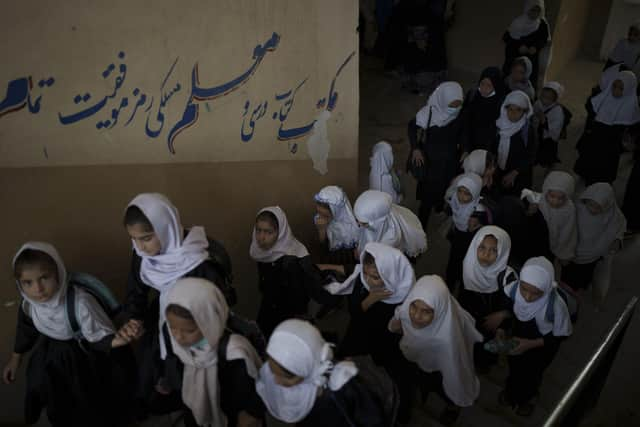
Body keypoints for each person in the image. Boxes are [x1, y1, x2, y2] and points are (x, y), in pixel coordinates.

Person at [118, 193, 233, 413]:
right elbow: (136, 291)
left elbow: (216, 310)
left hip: (194, 332)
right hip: (161, 325)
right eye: (134, 239)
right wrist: (134, 318)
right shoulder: (142, 255)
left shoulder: (200, 262)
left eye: (146, 238)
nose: (140, 247)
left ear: (166, 228)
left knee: (196, 388)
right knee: (159, 375)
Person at [3, 242, 135, 427]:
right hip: (52, 357)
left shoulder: (80, 303)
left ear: (58, 273)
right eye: (28, 282)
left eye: (44, 278)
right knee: (56, 400)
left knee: (87, 403)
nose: (38, 289)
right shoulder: (29, 305)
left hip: (84, 358)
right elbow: (26, 330)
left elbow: (99, 337)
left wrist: (117, 341)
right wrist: (15, 360)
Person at [325, 242, 415, 422]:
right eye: (365, 273)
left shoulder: (405, 294)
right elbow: (354, 311)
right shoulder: (363, 282)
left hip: (387, 343)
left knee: (396, 379)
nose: (368, 280)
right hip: (360, 333)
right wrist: (371, 299)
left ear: (391, 276)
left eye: (375, 277)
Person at [163, 278, 264, 427]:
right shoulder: (174, 338)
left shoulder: (234, 352)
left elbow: (255, 395)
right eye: (172, 327)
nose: (178, 337)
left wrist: (251, 414)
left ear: (209, 321)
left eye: (189, 331)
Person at [389, 275, 483, 425]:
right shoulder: (406, 312)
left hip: (438, 370)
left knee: (441, 386)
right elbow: (397, 321)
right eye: (413, 306)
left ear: (439, 311)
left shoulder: (447, 338)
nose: (417, 316)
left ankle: (452, 405)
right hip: (415, 361)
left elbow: (453, 369)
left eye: (426, 311)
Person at [256, 319, 386, 426]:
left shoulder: (333, 399)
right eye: (272, 371)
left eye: (287, 378)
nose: (276, 381)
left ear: (310, 369)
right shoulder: (314, 359)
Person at [499, 257, 572, 416]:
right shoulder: (513, 290)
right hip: (519, 338)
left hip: (541, 349)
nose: (527, 297)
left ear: (546, 289)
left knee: (532, 374)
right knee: (515, 367)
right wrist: (501, 330)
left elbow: (559, 337)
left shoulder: (556, 307)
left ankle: (527, 398)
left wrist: (530, 344)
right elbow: (508, 311)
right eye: (524, 289)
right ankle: (511, 393)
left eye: (536, 293)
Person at [250, 206, 322, 337]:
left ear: (280, 232)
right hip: (269, 306)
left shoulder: (293, 258)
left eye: (268, 232)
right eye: (258, 230)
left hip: (291, 315)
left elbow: (300, 298)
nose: (261, 237)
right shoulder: (261, 251)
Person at [458, 226, 517, 371]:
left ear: (503, 252)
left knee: (484, 356)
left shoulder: (508, 277)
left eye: (494, 250)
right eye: (482, 248)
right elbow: (463, 294)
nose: (486, 254)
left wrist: (503, 317)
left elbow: (515, 304)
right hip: (469, 318)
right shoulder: (469, 264)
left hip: (492, 325)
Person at [408, 81, 465, 228]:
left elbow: (464, 135)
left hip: (449, 164)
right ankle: (421, 229)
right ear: (443, 100)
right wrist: (415, 148)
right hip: (430, 164)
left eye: (458, 104)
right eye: (452, 105)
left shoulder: (460, 114)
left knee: (444, 192)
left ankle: (439, 206)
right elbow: (412, 127)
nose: (455, 109)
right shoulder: (429, 113)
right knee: (427, 198)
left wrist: (465, 150)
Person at [562, 183, 626, 308]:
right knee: (568, 279)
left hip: (592, 258)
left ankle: (578, 290)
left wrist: (617, 239)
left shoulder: (613, 214)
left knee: (584, 277)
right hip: (573, 255)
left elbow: (620, 226)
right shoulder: (577, 207)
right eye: (591, 205)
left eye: (598, 208)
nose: (593, 210)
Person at [575, 70, 640, 184]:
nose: (616, 90)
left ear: (628, 89)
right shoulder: (604, 97)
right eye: (614, 86)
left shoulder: (630, 107)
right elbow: (591, 108)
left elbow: (632, 127)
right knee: (589, 157)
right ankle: (585, 174)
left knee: (604, 165)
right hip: (595, 136)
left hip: (610, 144)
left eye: (621, 88)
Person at [521, 171, 577, 277]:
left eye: (561, 198)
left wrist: (564, 253)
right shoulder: (539, 201)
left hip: (552, 247)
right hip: (536, 242)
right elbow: (527, 219)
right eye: (552, 196)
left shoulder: (570, 209)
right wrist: (530, 211)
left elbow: (568, 232)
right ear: (546, 191)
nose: (555, 201)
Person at [353, 189, 427, 259]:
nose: (359, 224)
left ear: (377, 222)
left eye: (363, 223)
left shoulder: (391, 239)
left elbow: (376, 259)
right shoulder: (375, 222)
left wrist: (362, 255)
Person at [443, 173, 488, 289]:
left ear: (475, 193)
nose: (462, 197)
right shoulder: (454, 199)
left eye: (467, 194)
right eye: (460, 191)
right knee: (453, 262)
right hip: (458, 235)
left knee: (464, 263)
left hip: (469, 240)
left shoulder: (477, 211)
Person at [494, 90, 538, 195]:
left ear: (525, 112)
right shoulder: (499, 125)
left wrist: (514, 173)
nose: (513, 113)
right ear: (505, 109)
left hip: (518, 174)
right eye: (510, 109)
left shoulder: (527, 130)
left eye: (518, 110)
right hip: (498, 171)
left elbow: (531, 155)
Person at [502, 0, 550, 90]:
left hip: (531, 58)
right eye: (532, 10)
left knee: (529, 80)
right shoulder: (518, 22)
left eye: (537, 11)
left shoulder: (542, 24)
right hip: (515, 55)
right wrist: (519, 46)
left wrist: (536, 47)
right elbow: (507, 38)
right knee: (510, 79)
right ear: (527, 9)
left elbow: (544, 39)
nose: (535, 14)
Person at [461, 67, 507, 154]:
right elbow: (465, 123)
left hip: (490, 149)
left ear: (496, 86)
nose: (484, 88)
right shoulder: (473, 97)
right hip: (470, 146)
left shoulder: (501, 103)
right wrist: (465, 148)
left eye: (489, 85)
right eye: (482, 83)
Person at [313, 185, 360, 266]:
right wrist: (321, 230)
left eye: (325, 215)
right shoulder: (320, 220)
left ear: (337, 212)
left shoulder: (351, 226)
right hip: (332, 256)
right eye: (319, 212)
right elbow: (323, 247)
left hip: (347, 257)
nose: (320, 216)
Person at [533, 81, 566, 169]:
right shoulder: (539, 103)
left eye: (548, 98)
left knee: (548, 153)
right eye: (542, 96)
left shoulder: (558, 111)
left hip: (549, 139)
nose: (544, 100)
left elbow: (555, 129)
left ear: (555, 99)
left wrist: (544, 121)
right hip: (541, 133)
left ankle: (549, 165)